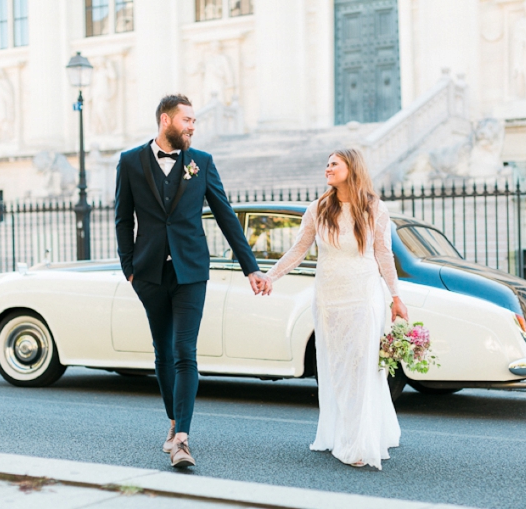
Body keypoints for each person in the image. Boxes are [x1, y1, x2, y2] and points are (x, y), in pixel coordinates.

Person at [114, 94, 267, 468]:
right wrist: (129, 269)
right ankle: (173, 422)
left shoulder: (202, 163)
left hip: (191, 272)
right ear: (166, 120)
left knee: (185, 352)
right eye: (187, 120)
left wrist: (251, 267)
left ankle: (181, 438)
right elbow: (122, 218)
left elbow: (226, 215)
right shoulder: (130, 161)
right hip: (148, 273)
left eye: (195, 120)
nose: (193, 126)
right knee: (162, 354)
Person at [260, 148, 408, 470]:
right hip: (328, 300)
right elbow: (298, 249)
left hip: (363, 295)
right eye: (326, 164)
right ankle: (341, 431)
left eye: (334, 164)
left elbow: (384, 255)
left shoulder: (374, 209)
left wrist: (396, 296)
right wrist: (270, 276)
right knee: (336, 370)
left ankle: (358, 443)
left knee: (361, 368)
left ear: (351, 168)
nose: (327, 168)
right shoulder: (319, 208)